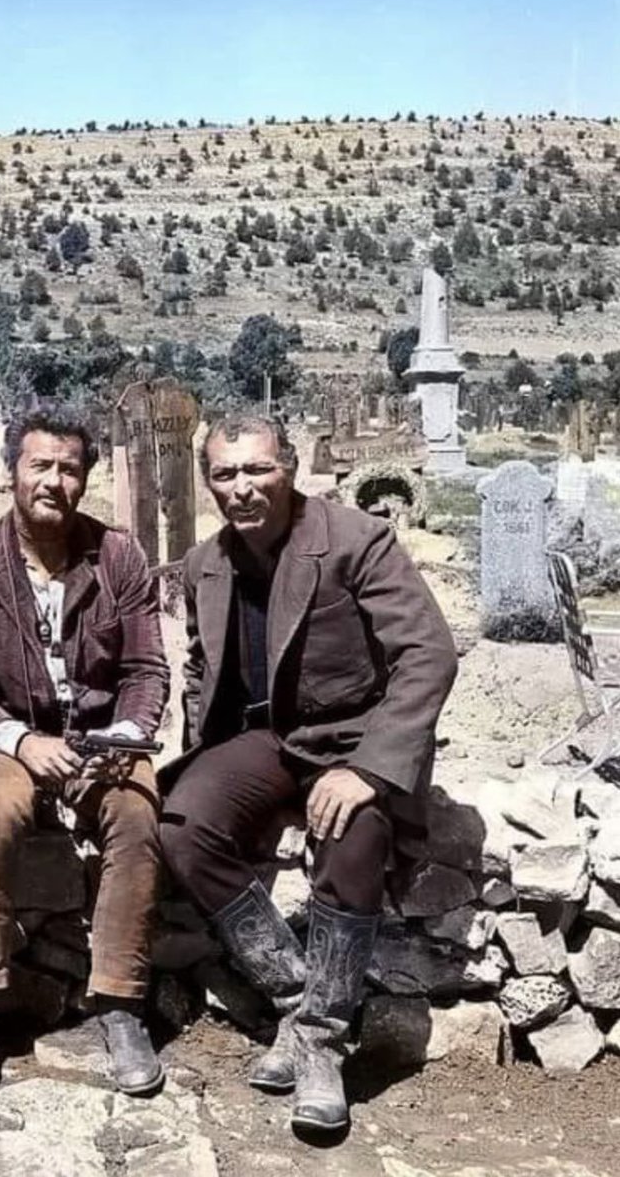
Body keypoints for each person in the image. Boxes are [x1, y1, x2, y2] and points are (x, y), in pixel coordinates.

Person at [159, 414, 458, 1132]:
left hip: (356, 737)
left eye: (258, 470)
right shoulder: (207, 562)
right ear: (209, 485)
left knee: (355, 834)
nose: (243, 488)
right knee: (183, 824)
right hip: (268, 740)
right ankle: (298, 999)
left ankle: (321, 1042)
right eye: (225, 475)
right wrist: (208, 755)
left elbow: (428, 655)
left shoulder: (355, 540)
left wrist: (370, 769)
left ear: (290, 467)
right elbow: (201, 670)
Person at [0, 405, 170, 1095]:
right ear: (12, 473)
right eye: (39, 465)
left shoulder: (119, 556)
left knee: (136, 812)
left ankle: (119, 1001)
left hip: (97, 737)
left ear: (85, 480)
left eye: (69, 469)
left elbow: (146, 670)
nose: (53, 481)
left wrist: (128, 735)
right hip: (10, 738)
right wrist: (20, 740)